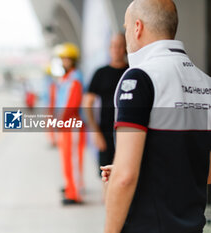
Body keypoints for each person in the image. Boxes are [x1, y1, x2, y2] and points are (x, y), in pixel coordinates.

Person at [103, 0, 211, 232]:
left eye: (126, 27)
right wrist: (146, 169)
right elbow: (205, 170)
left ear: (138, 27)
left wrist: (124, 168)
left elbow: (124, 177)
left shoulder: (139, 78)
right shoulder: (206, 83)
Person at [83, 34, 128, 175]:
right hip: (105, 133)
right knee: (106, 176)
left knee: (126, 175)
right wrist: (95, 132)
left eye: (120, 46)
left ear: (125, 49)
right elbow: (87, 103)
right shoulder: (100, 73)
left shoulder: (132, 72)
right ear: (109, 49)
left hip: (128, 132)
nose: (116, 49)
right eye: (113, 46)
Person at [54, 42, 86, 205]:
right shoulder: (66, 79)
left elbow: (71, 105)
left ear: (73, 60)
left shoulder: (75, 79)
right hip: (65, 125)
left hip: (71, 125)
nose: (63, 62)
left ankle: (74, 194)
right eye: (62, 59)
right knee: (67, 159)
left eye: (66, 59)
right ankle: (70, 186)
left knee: (72, 159)